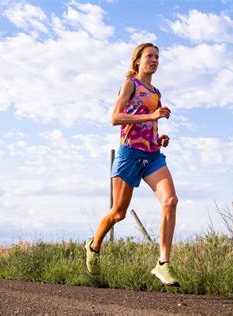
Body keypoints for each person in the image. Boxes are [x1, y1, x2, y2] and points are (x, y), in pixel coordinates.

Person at [85, 43, 180, 287]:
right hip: (129, 154)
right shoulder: (130, 85)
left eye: (158, 56)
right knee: (119, 213)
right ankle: (94, 246)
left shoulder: (157, 92)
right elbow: (115, 118)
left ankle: (163, 264)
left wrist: (159, 137)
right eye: (150, 56)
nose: (155, 60)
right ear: (137, 61)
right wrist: (151, 116)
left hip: (152, 155)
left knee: (170, 201)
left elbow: (150, 125)